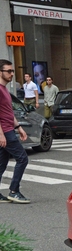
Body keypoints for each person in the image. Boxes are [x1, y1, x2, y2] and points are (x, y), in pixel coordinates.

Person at [0, 60, 30, 203]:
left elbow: (8, 113)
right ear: (0, 72)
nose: (12, 74)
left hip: (9, 129)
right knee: (22, 158)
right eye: (8, 71)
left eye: (12, 71)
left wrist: (19, 128)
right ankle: (14, 191)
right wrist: (1, 134)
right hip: (4, 132)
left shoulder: (5, 89)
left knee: (1, 163)